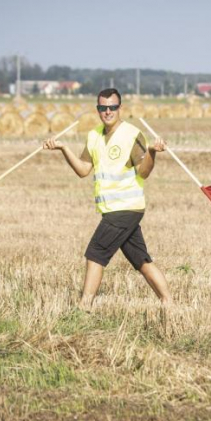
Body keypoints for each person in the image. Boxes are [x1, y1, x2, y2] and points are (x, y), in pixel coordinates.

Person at [44, 88, 172, 306]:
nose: (108, 111)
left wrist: (151, 152)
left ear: (119, 108)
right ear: (98, 109)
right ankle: (168, 302)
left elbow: (144, 172)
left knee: (95, 253)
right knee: (140, 259)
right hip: (112, 208)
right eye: (103, 107)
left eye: (112, 107)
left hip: (126, 207)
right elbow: (84, 170)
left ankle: (84, 306)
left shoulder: (132, 134)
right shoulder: (94, 136)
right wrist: (63, 148)